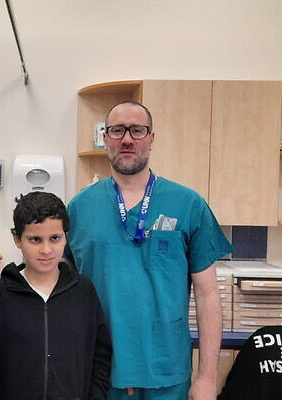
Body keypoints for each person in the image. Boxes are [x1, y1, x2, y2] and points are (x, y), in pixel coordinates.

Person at [65, 100, 233, 400]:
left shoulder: (188, 204)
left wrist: (207, 377)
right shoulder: (79, 208)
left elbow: (208, 294)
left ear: (151, 138)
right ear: (105, 138)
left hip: (166, 372)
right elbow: (63, 292)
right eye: (118, 130)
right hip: (99, 373)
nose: (127, 139)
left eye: (137, 130)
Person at [0, 191, 112, 399]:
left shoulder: (84, 291)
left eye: (55, 238)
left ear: (66, 237)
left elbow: (100, 357)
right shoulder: (0, 294)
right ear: (17, 239)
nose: (46, 250)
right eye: (35, 239)